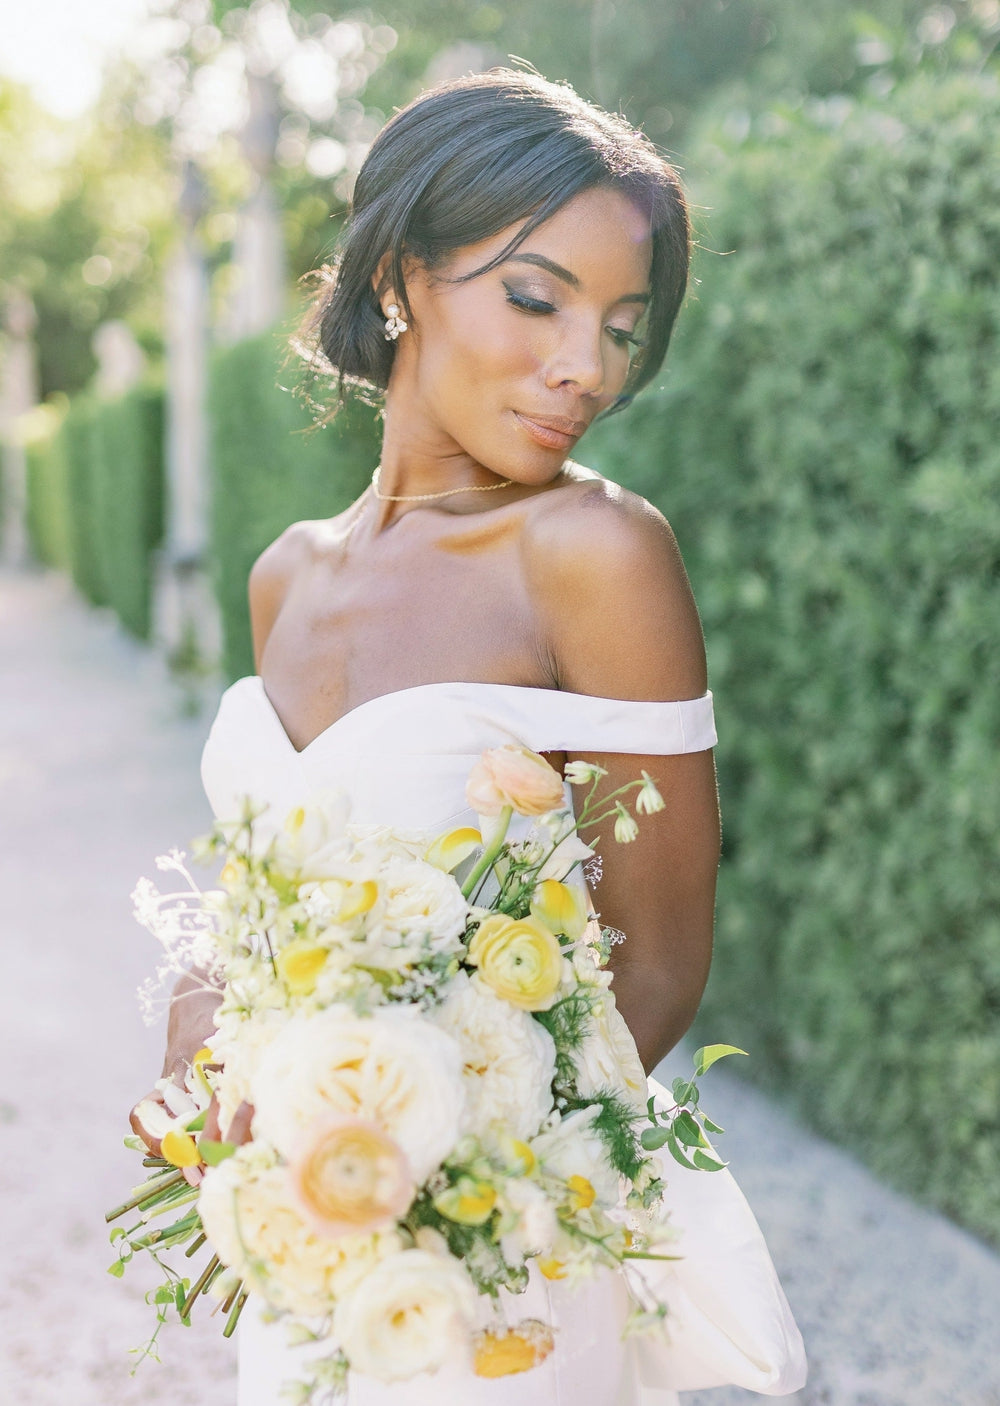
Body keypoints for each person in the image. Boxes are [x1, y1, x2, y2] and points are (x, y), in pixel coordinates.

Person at [132, 68, 806, 1405]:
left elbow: (659, 964)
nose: (588, 365)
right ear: (395, 280)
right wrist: (211, 1103)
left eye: (622, 325)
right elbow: (260, 896)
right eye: (539, 297)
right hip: (301, 1244)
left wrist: (439, 1195)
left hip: (501, 1271)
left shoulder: (598, 554)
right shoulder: (283, 573)